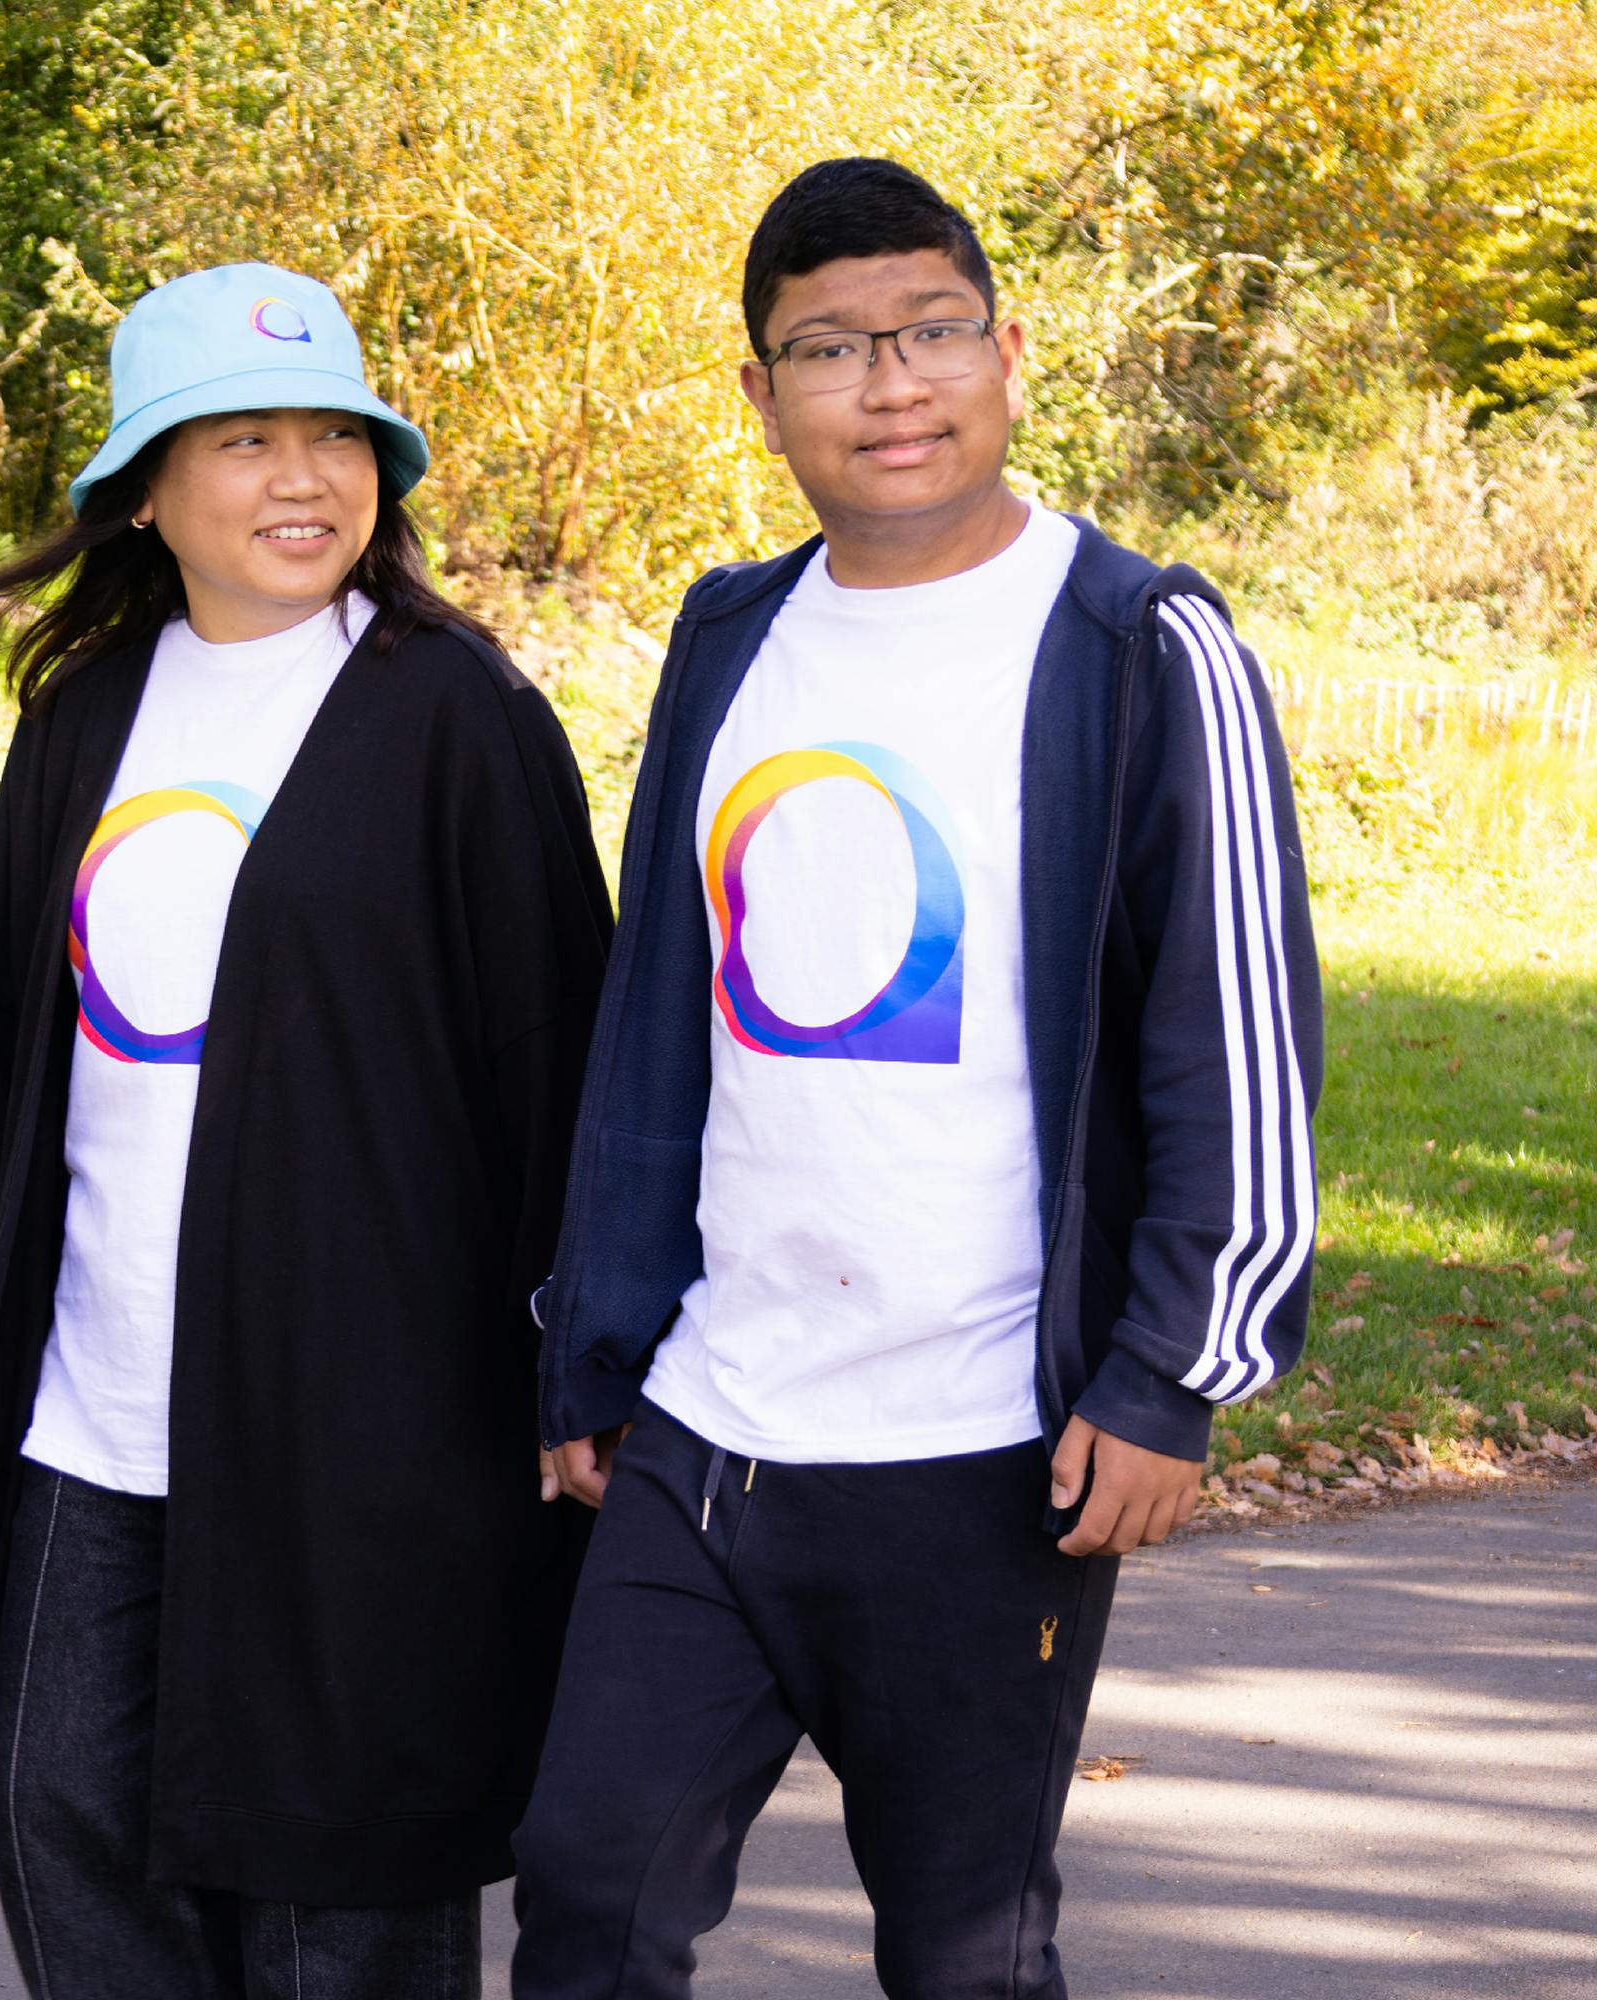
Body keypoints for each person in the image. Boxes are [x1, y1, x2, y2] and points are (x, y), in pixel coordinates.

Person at [512, 158, 1321, 1999]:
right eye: (831, 349)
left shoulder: (1135, 645)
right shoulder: (730, 637)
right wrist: (600, 1330)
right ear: (761, 394)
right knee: (586, 1893)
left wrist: (1173, 1372)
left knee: (962, 1951)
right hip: (714, 1421)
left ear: (1007, 352)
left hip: (980, 1451)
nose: (892, 384)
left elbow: (1237, 1038)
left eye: (932, 332)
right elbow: (660, 1008)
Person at [0, 261, 613, 2000]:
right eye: (244, 441)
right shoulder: (84, 711)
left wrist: (578, 1373)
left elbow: (563, 1081)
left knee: (340, 1896)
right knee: (65, 1828)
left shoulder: (460, 721)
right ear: (147, 489)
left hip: (371, 1436)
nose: (302, 480)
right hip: (93, 1412)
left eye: (337, 437)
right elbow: (9, 1057)